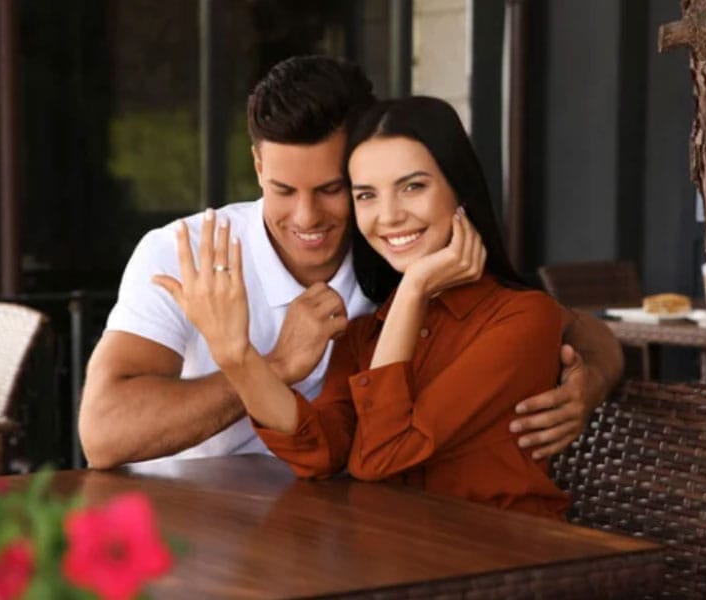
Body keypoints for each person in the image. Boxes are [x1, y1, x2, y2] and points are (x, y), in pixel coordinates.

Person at [79, 56, 623, 470]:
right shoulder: (189, 251)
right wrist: (274, 366)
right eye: (282, 189)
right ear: (256, 165)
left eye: (335, 189)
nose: (307, 216)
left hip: (341, 524)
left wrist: (591, 380)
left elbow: (567, 324)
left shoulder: (399, 250)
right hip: (190, 521)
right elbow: (103, 434)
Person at [156, 96, 571, 518]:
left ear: (459, 188)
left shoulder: (522, 319)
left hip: (508, 563)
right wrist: (236, 356)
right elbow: (320, 452)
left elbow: (382, 455)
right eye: (367, 195)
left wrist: (413, 289)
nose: (388, 216)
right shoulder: (367, 332)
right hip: (397, 555)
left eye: (413, 186)